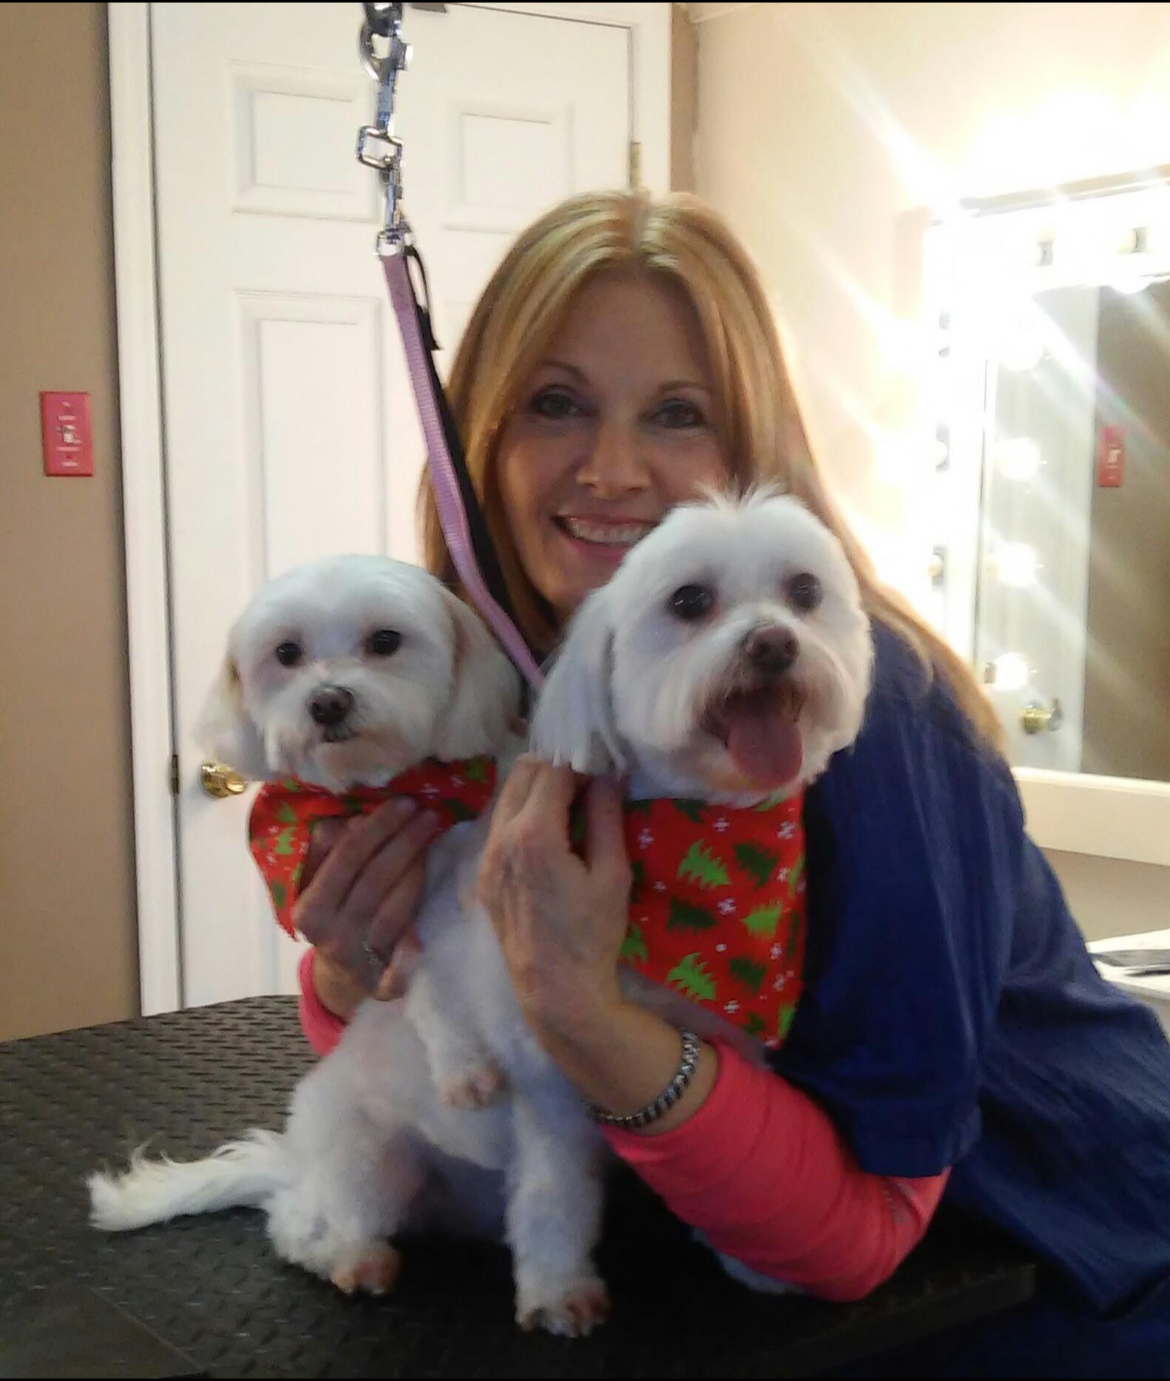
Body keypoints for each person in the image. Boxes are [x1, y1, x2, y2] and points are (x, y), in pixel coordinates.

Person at [289, 191, 1170, 1375]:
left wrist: (583, 1009)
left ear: (752, 446)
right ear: (479, 441)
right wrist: (356, 974)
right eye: (557, 404)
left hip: (1046, 1274)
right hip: (726, 1292)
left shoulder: (871, 725)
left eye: (677, 414)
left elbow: (859, 1242)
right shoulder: (511, 691)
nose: (611, 468)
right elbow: (464, 1068)